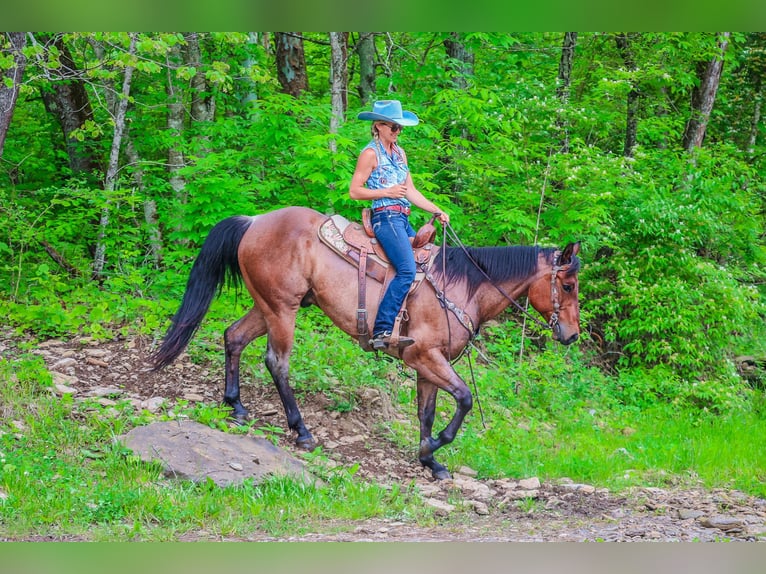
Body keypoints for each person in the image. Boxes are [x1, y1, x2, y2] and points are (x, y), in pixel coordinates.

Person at [349, 100, 449, 350]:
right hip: (385, 218)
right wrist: (388, 191)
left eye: (399, 127)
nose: (397, 131)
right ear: (379, 126)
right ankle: (381, 329)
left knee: (426, 264)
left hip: (402, 218)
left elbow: (411, 191)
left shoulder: (400, 153)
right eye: (393, 127)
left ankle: (414, 322)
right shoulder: (370, 154)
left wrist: (436, 209)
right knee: (406, 270)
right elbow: (355, 191)